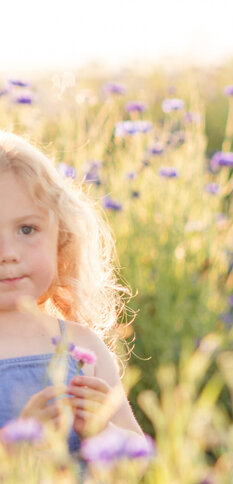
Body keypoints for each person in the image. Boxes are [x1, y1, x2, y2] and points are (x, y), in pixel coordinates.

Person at [0, 131, 142, 451]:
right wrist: (15, 445)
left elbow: (139, 456)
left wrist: (103, 430)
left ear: (60, 237)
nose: (8, 252)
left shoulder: (80, 345)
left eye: (27, 229)